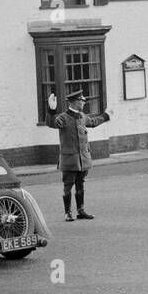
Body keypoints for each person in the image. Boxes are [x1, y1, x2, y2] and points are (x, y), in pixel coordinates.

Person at [46, 89, 111, 221]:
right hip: (69, 159)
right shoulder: (63, 117)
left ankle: (81, 211)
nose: (83, 102)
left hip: (82, 160)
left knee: (80, 185)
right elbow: (52, 123)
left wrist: (105, 116)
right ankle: (68, 213)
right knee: (68, 187)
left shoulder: (82, 116)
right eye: (81, 101)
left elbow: (93, 122)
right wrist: (51, 111)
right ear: (75, 102)